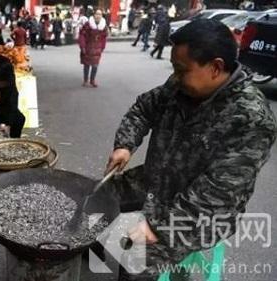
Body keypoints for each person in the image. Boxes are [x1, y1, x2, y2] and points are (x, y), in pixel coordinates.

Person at [102, 19, 276, 281]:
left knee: (135, 267)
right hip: (156, 181)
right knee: (93, 200)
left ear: (216, 67)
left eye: (181, 69)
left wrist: (156, 228)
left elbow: (217, 193)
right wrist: (125, 145)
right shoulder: (178, 85)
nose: (175, 76)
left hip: (200, 215)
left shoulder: (250, 118)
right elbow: (142, 109)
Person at [78, 9, 108, 88]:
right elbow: (82, 35)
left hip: (97, 48)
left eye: (100, 14)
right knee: (86, 65)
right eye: (97, 14)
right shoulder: (88, 24)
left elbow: (104, 37)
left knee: (95, 66)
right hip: (88, 47)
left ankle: (92, 80)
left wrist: (103, 47)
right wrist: (82, 46)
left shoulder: (103, 26)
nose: (98, 16)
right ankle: (85, 80)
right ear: (94, 15)